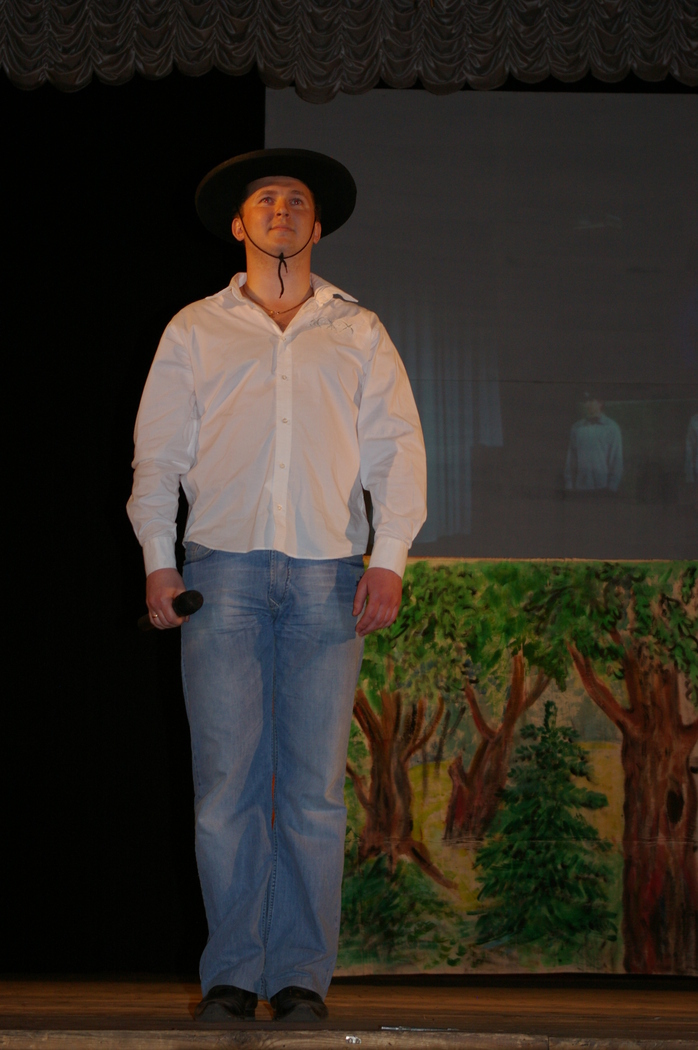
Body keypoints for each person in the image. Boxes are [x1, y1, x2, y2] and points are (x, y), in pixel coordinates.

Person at [127, 149, 427, 1023]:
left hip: (329, 575)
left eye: (297, 200)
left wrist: (389, 556)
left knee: (312, 790)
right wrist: (157, 557)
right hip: (220, 571)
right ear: (239, 224)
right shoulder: (195, 329)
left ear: (318, 224)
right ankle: (231, 972)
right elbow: (159, 455)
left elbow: (396, 450)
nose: (282, 210)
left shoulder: (358, 329)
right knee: (226, 786)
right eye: (266, 199)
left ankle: (299, 976)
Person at [563, 392, 623, 493]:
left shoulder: (612, 428)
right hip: (580, 487)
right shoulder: (577, 428)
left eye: (591, 401)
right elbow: (571, 459)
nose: (587, 404)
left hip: (603, 487)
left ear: (600, 403)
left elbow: (616, 460)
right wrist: (569, 484)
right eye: (585, 401)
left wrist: (612, 487)